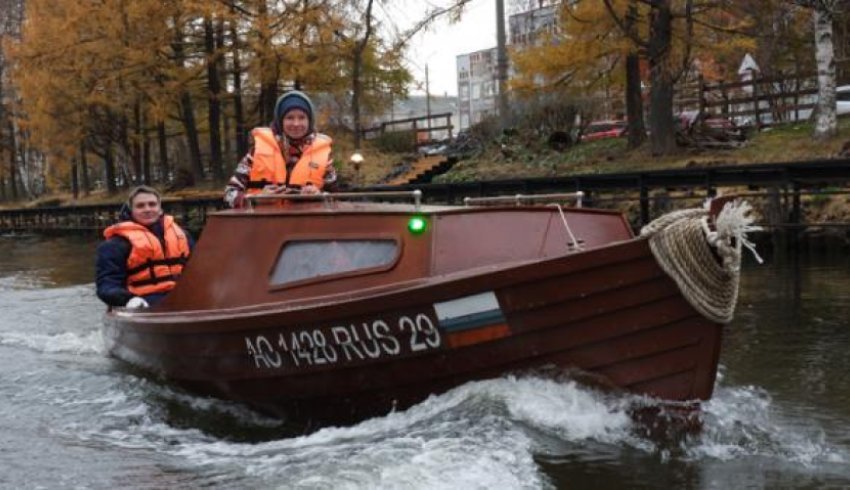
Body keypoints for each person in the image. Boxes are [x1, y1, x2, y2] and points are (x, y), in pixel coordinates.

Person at [224, 90, 338, 208]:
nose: (296, 123)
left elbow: (337, 199)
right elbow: (229, 194)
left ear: (309, 121)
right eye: (289, 118)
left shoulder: (324, 157)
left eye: (302, 117)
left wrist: (319, 196)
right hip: (262, 224)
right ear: (280, 121)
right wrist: (257, 199)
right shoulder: (256, 153)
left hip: (307, 224)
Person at [96, 186, 193, 308]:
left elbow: (200, 270)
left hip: (184, 298)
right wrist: (128, 300)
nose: (147, 209)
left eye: (152, 204)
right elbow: (107, 285)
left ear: (160, 209)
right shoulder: (115, 245)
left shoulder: (183, 236)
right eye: (140, 206)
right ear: (131, 210)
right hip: (143, 302)